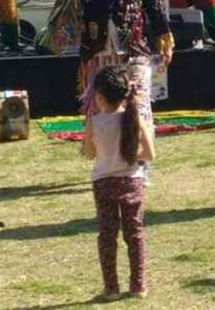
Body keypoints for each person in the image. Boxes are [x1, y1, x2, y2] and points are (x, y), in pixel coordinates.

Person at [41, 0, 173, 132]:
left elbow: (156, 9)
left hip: (133, 52)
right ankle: (106, 160)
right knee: (101, 115)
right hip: (96, 54)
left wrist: (164, 37)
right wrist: (59, 36)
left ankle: (140, 157)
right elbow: (64, 9)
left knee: (138, 108)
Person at [82, 65, 154, 301]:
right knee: (135, 234)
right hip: (132, 181)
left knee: (107, 236)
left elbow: (90, 153)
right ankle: (138, 285)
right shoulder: (134, 118)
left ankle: (111, 287)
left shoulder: (95, 121)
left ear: (100, 96)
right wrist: (130, 154)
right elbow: (149, 154)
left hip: (103, 182)